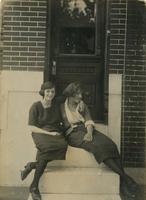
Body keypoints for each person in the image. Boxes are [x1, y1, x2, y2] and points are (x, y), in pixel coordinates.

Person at [60, 82, 139, 198]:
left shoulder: (82, 105)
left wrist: (90, 133)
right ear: (70, 95)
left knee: (110, 144)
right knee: (98, 148)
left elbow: (88, 120)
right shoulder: (61, 106)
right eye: (77, 94)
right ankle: (126, 179)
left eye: (80, 94)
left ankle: (123, 182)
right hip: (72, 134)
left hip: (86, 129)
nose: (81, 96)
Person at [21, 81, 68, 200]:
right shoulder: (35, 106)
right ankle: (34, 186)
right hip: (40, 132)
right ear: (43, 92)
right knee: (46, 149)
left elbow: (69, 94)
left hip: (54, 132)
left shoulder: (56, 105)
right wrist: (49, 133)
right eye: (48, 91)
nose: (50, 94)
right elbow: (31, 127)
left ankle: (32, 165)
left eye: (52, 91)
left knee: (63, 145)